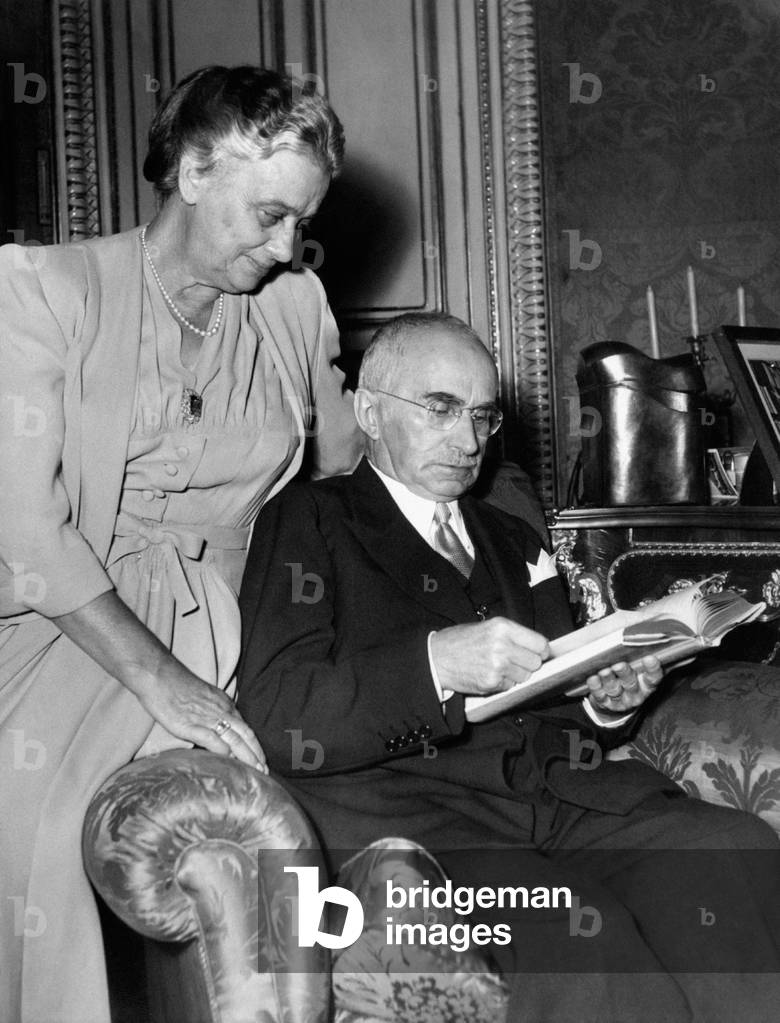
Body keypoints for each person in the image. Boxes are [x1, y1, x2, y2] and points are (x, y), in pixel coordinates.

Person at [237, 311, 780, 1023]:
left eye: (483, 417)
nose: (467, 442)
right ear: (370, 411)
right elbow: (282, 711)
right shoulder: (309, 519)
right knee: (586, 943)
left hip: (561, 798)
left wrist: (605, 700)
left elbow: (552, 687)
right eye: (440, 409)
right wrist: (438, 662)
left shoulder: (508, 533)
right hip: (423, 819)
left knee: (729, 851)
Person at [0, 65, 360, 1023]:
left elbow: (344, 476)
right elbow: (26, 530)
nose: (289, 245)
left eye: (303, 218)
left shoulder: (294, 307)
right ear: (194, 170)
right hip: (65, 624)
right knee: (32, 854)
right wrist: (164, 680)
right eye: (270, 213)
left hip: (242, 617)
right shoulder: (42, 290)